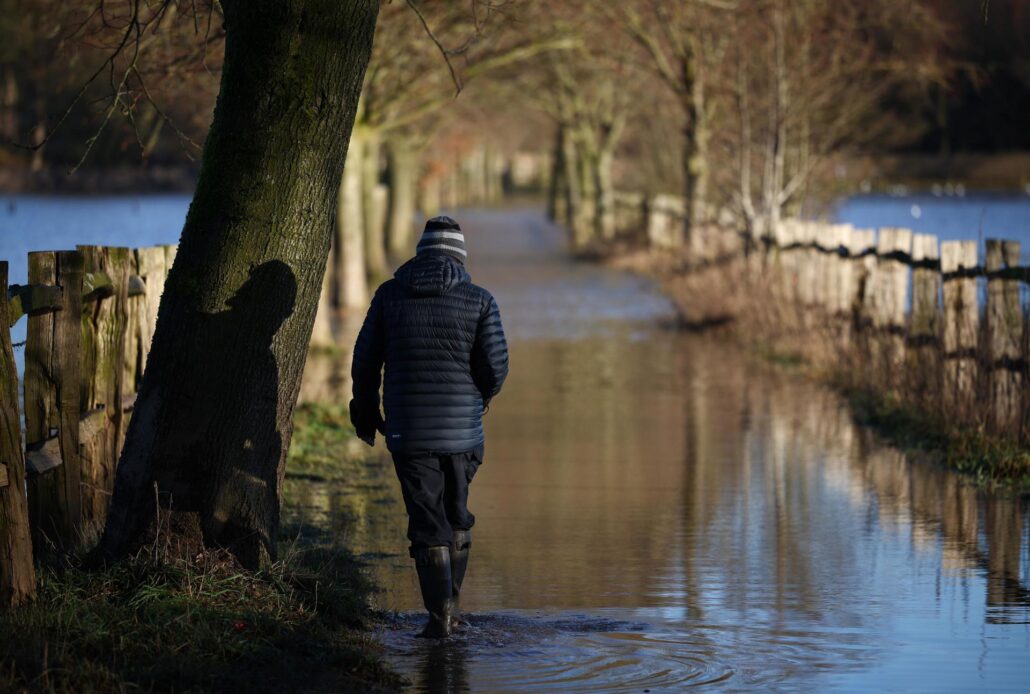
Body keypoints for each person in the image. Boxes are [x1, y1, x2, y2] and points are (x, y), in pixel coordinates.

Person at [350, 215, 509, 638]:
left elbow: (364, 362)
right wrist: (481, 398)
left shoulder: (388, 296)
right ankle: (451, 613)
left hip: (408, 432)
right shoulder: (479, 300)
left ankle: (439, 619)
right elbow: (495, 367)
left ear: (419, 253)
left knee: (426, 521)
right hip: (463, 433)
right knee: (457, 515)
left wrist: (364, 410)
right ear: (459, 257)